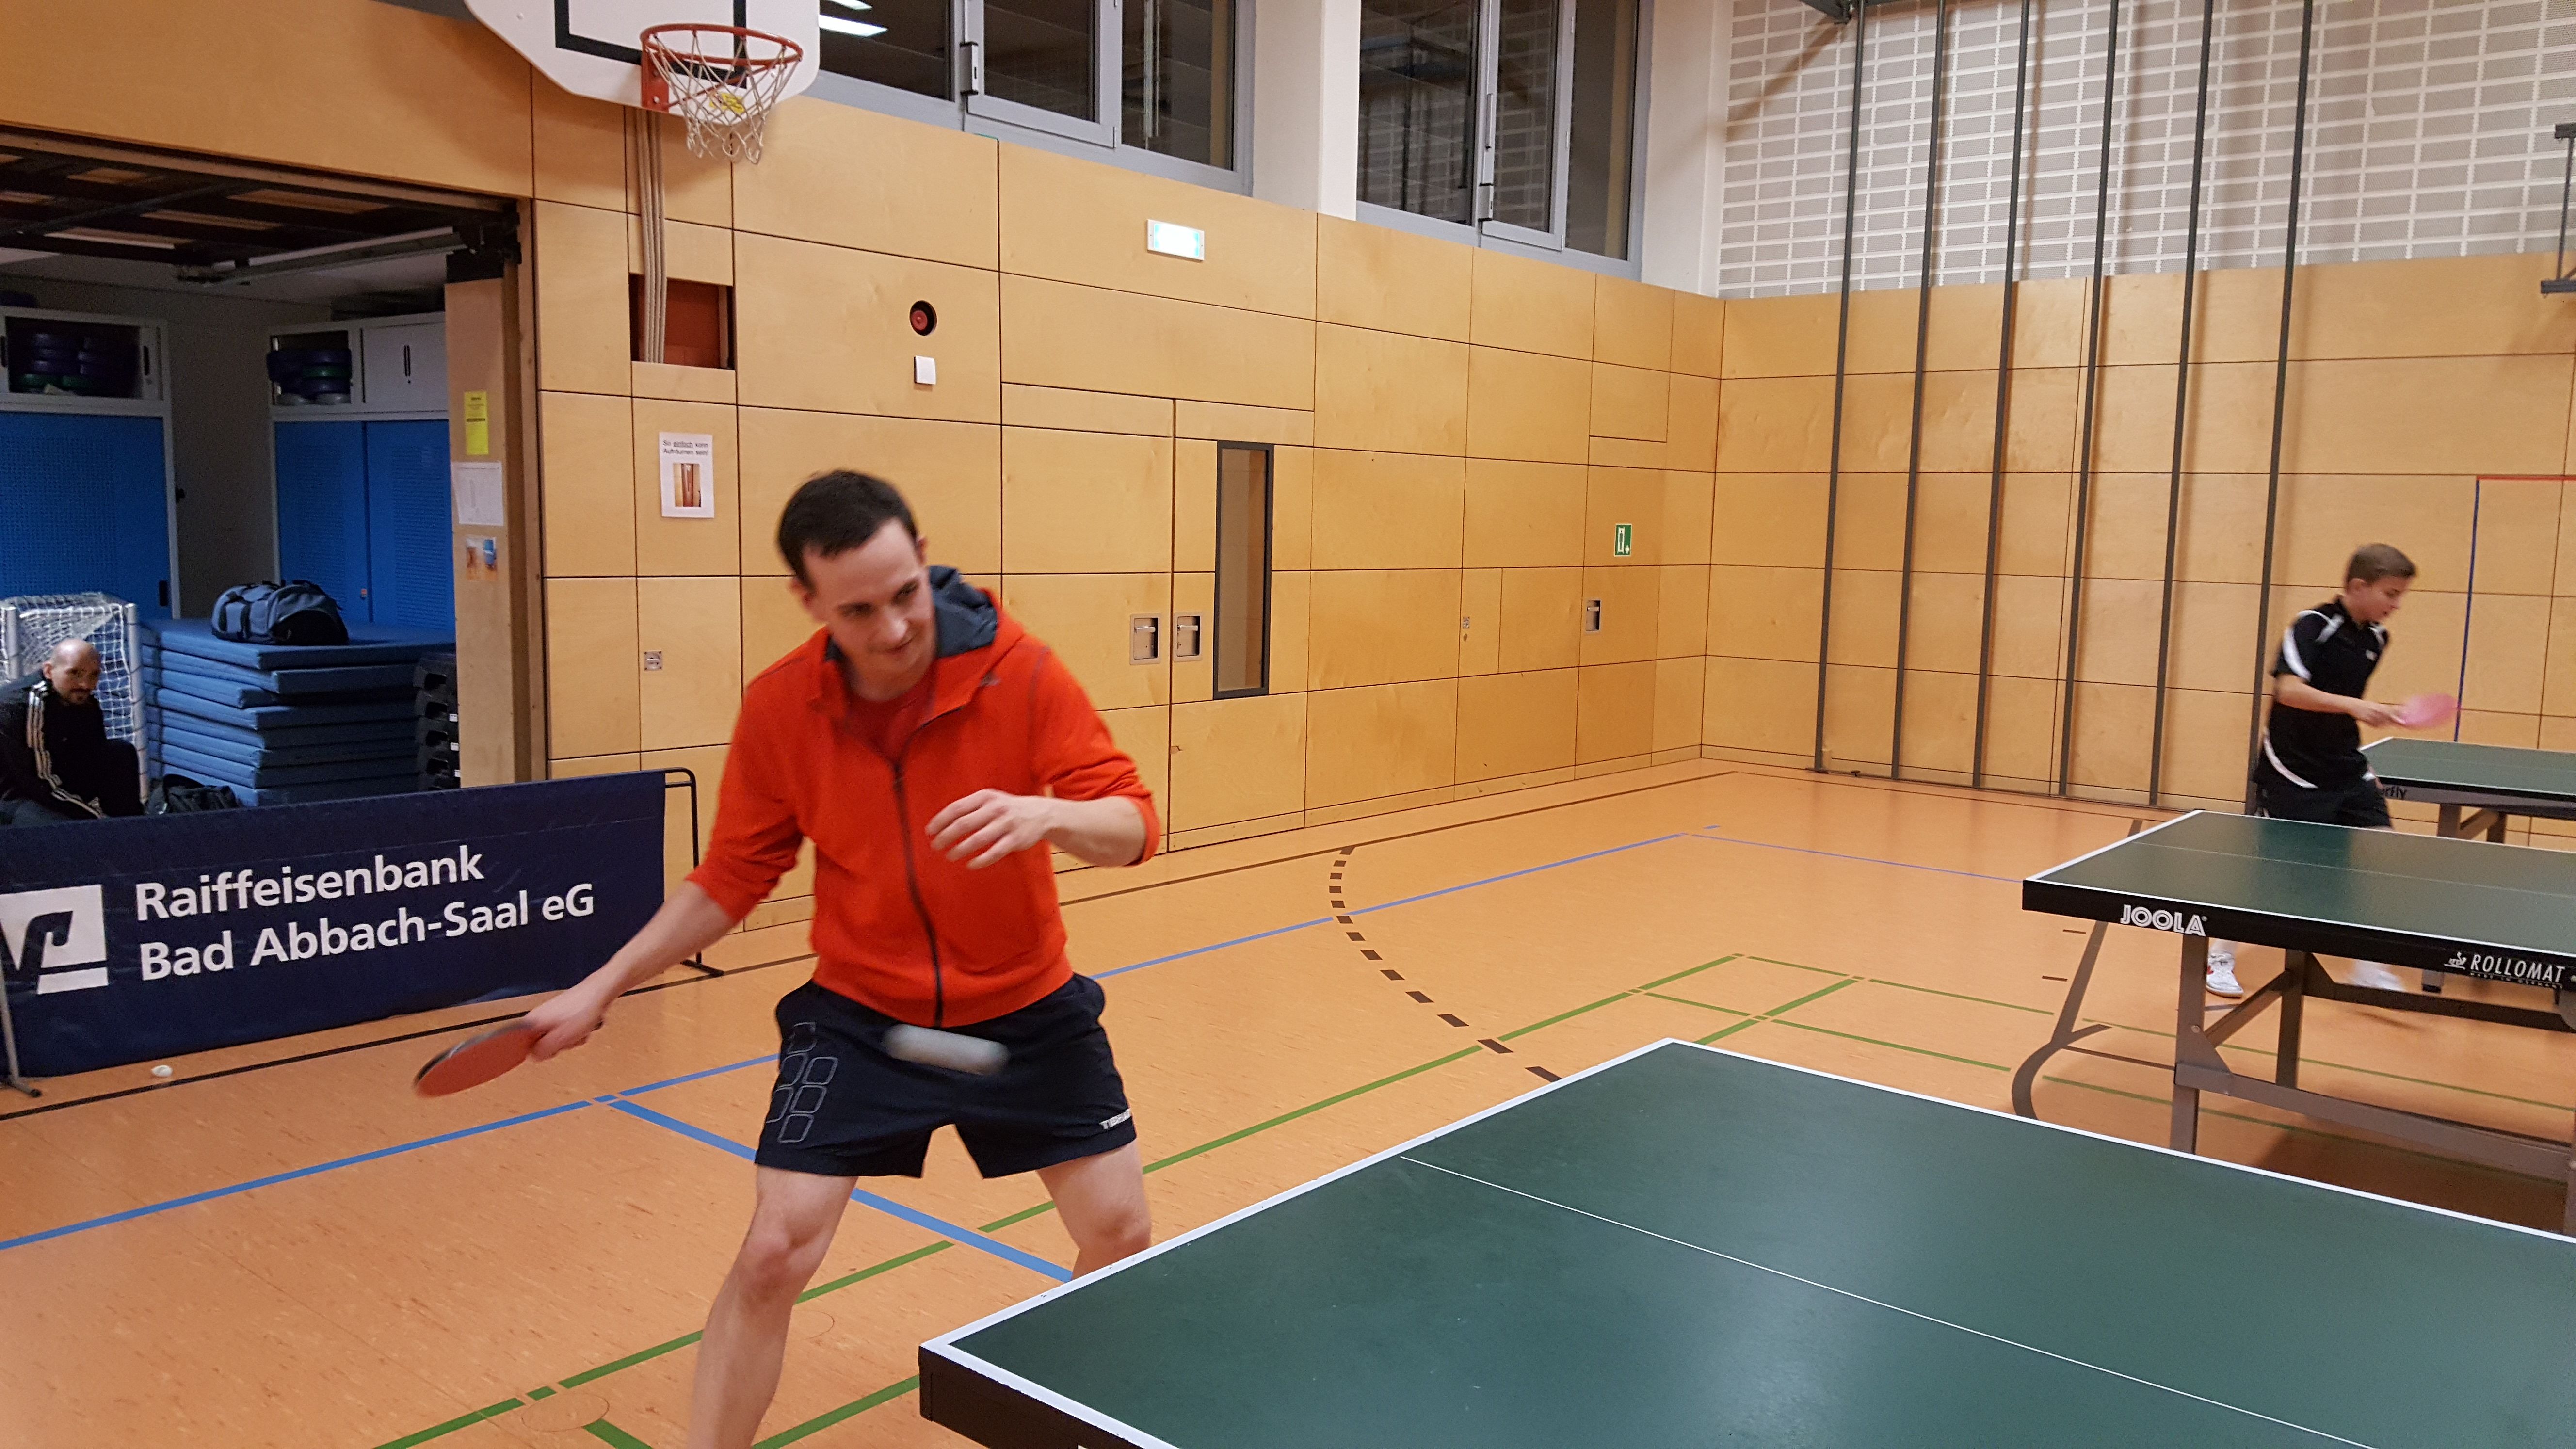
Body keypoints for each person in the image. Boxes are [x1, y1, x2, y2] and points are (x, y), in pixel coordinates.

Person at [520, 471, 1159, 1449]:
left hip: (1026, 1011)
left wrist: (1050, 813)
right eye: (859, 611)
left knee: (1119, 1233)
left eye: (905, 594)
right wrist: (602, 984)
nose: (894, 628)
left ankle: (1056, 1420)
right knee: (773, 1251)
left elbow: (1135, 824)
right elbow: (731, 877)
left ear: (921, 560)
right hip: (864, 1020)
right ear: (809, 601)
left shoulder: (1019, 671)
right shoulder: (785, 707)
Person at [2206, 543, 2414, 998]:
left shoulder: (2377, 639)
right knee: (2270, 874)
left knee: (2381, 859)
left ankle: (2368, 966)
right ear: (2358, 586)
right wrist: (2357, 707)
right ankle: (2220, 954)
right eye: (2391, 593)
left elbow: (2338, 705)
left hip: (2346, 767)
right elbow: (2288, 691)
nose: (2397, 604)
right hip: (2293, 768)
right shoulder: (2313, 626)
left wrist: (2366, 738)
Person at [0, 638, 141, 825]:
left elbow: (94, 753)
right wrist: (96, 819)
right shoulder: (23, 706)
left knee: (120, 753)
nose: (86, 684)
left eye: (94, 675)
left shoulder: (83, 701)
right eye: (75, 673)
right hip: (14, 794)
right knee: (66, 830)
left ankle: (134, 828)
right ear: (49, 671)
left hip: (53, 779)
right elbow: (40, 783)